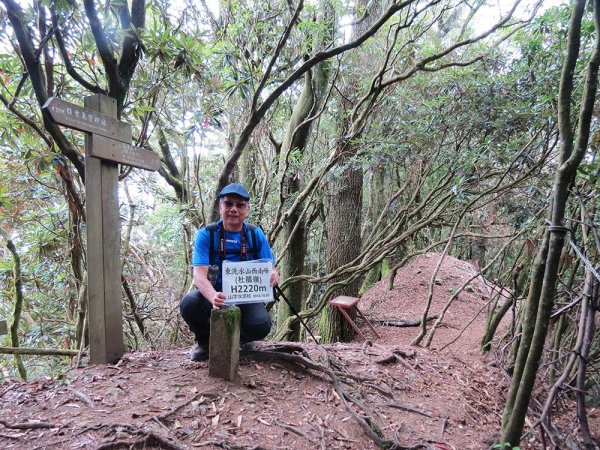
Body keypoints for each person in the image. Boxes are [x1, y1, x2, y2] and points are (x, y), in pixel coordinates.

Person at [180, 182, 279, 361]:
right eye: (229, 204)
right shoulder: (207, 234)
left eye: (240, 205)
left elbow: (270, 266)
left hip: (246, 297)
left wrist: (273, 275)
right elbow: (199, 274)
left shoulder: (255, 234)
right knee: (189, 304)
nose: (234, 209)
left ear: (247, 209)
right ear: (220, 207)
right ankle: (205, 343)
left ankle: (241, 341)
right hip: (216, 295)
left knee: (262, 324)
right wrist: (212, 296)